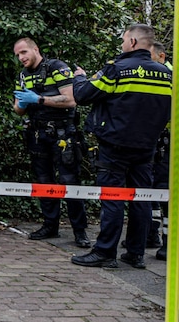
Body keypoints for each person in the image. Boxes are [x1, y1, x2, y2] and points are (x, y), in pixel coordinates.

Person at [71, 25, 173, 269]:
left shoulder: (118, 69)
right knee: (142, 199)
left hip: (115, 146)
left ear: (133, 42)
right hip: (148, 147)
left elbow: (83, 95)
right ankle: (136, 253)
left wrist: (80, 77)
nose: (122, 44)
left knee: (112, 198)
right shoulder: (167, 75)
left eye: (124, 40)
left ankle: (105, 252)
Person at [10, 38, 90, 247]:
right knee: (44, 182)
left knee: (69, 181)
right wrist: (21, 103)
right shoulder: (23, 75)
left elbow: (71, 99)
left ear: (36, 49)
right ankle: (50, 225)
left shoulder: (57, 67)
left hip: (62, 134)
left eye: (24, 52)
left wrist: (39, 99)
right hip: (37, 134)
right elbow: (18, 109)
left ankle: (80, 231)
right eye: (18, 55)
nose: (21, 58)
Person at [150, 41, 172, 261]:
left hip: (168, 144)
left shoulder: (171, 78)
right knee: (152, 189)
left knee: (164, 191)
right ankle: (152, 234)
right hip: (154, 142)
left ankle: (168, 241)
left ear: (161, 56)